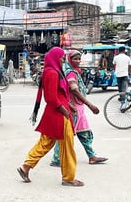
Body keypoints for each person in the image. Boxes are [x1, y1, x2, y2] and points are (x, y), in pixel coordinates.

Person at [17, 47, 84, 187]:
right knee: (67, 146)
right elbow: (51, 98)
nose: (63, 60)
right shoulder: (53, 73)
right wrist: (65, 111)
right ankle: (69, 178)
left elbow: (59, 94)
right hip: (58, 114)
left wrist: (69, 106)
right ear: (55, 58)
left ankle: (26, 166)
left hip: (54, 112)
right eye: (61, 58)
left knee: (45, 143)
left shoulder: (52, 71)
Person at [50, 49, 108, 166]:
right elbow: (74, 90)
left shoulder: (73, 71)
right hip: (73, 107)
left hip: (79, 108)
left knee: (84, 132)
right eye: (75, 59)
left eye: (79, 59)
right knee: (67, 133)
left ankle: (92, 156)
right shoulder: (70, 72)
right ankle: (57, 158)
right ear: (69, 60)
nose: (78, 61)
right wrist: (90, 105)